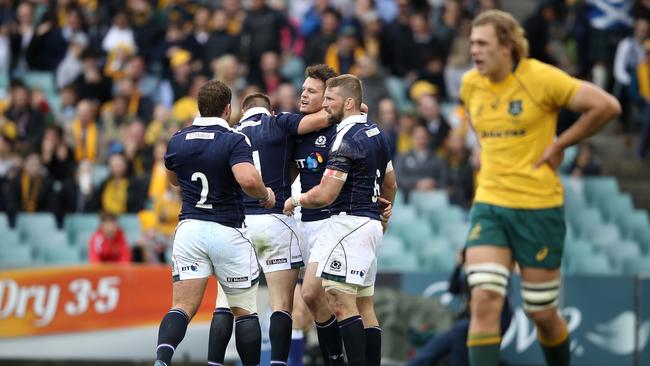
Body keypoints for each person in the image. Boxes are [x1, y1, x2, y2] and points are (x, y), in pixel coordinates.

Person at [460, 10, 621, 366]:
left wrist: (561, 143)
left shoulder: (541, 77)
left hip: (538, 208)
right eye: (472, 43)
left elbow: (606, 106)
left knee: (541, 313)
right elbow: (478, 126)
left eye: (482, 43)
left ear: (507, 46)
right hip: (490, 203)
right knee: (484, 299)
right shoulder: (470, 84)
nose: (474, 51)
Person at [153, 79, 276, 366]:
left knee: (182, 307)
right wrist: (265, 194)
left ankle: (162, 358)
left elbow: (174, 181)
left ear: (199, 107)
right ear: (228, 109)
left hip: (190, 229)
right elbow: (247, 179)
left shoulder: (178, 138)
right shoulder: (234, 139)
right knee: (244, 310)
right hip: (227, 229)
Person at [283, 74, 397, 366]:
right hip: (366, 222)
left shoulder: (345, 137)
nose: (324, 104)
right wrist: (381, 211)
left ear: (347, 102)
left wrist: (296, 199)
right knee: (362, 304)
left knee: (341, 303)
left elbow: (326, 194)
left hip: (348, 224)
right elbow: (390, 184)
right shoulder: (376, 132)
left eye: (328, 99)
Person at [230, 91, 329, 366]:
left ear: (241, 110)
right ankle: (279, 363)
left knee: (240, 309)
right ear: (270, 110)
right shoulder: (280, 125)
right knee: (284, 307)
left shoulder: (232, 133)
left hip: (241, 226)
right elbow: (321, 119)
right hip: (279, 224)